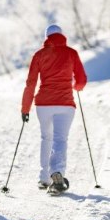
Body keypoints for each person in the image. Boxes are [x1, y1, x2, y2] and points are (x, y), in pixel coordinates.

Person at [21, 24, 87, 194]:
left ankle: (44, 178)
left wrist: (25, 108)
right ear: (62, 36)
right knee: (60, 139)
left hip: (43, 104)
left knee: (46, 138)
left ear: (47, 37)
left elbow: (31, 83)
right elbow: (81, 80)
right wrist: (76, 86)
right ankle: (57, 173)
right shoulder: (71, 53)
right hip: (65, 104)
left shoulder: (39, 54)